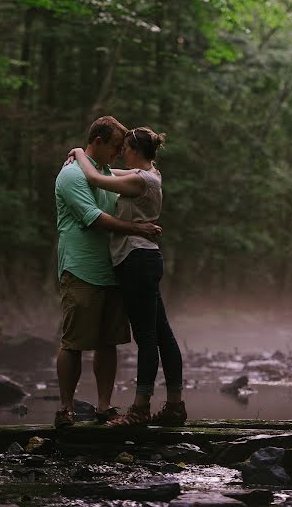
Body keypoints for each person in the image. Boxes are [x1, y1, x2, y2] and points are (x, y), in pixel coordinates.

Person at [68, 127, 187, 426]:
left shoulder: (139, 180)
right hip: (144, 258)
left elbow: (96, 179)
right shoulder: (150, 174)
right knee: (163, 335)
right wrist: (89, 160)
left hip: (136, 260)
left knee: (147, 338)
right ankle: (174, 405)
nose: (121, 150)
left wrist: (79, 153)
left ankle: (139, 409)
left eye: (125, 147)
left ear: (135, 150)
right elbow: (110, 171)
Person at [55, 116, 161, 429]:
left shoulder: (103, 171)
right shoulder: (72, 174)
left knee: (108, 342)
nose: (118, 152)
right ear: (98, 141)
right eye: (115, 146)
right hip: (81, 268)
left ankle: (103, 407)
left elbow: (142, 176)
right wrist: (136, 227)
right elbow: (93, 217)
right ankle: (65, 409)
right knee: (73, 342)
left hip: (112, 268)